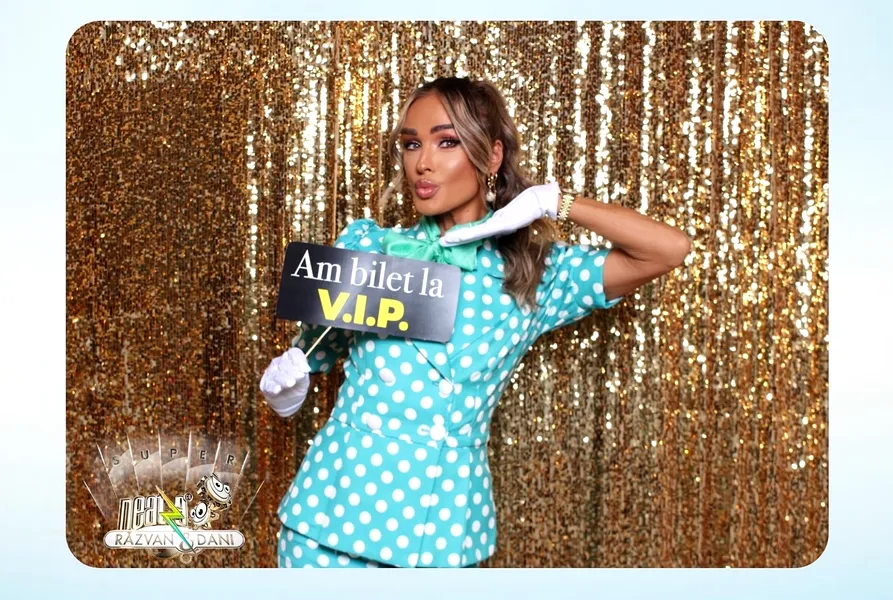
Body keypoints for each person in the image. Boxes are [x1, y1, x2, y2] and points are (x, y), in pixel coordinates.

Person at [260, 77, 691, 568]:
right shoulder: (371, 248)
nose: (422, 163)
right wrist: (288, 389)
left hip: (441, 532)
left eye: (446, 142)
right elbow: (316, 351)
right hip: (329, 521)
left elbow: (668, 249)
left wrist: (553, 202)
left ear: (492, 157)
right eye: (411, 144)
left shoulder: (535, 272)